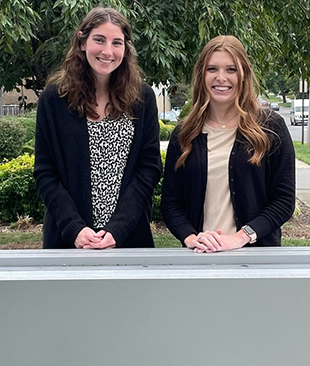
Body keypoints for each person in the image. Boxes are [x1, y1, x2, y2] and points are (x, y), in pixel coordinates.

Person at [33, 7, 161, 249]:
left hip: (129, 238)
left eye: (117, 43)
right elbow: (45, 172)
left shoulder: (142, 98)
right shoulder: (55, 98)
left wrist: (118, 229)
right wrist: (75, 228)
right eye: (99, 40)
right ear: (82, 42)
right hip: (69, 240)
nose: (107, 51)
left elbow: (149, 169)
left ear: (125, 48)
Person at [161, 36, 295, 253]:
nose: (221, 78)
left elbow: (284, 200)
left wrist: (241, 237)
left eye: (231, 69)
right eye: (212, 69)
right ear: (201, 74)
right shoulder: (184, 135)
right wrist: (191, 238)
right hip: (199, 256)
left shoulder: (270, 128)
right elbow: (171, 203)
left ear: (244, 74)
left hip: (256, 258)